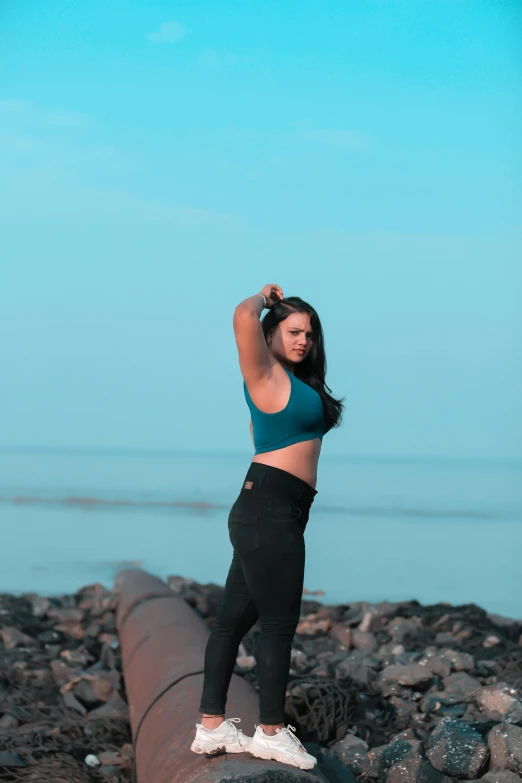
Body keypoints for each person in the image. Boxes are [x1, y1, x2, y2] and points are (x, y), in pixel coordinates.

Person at [191, 284, 343, 770]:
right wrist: (261, 296)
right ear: (270, 335)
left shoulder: (298, 383)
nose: (303, 341)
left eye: (310, 335)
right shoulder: (264, 374)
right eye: (294, 331)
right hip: (269, 510)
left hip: (275, 510)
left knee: (231, 624)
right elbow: (240, 315)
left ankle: (210, 726)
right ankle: (272, 733)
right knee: (278, 625)